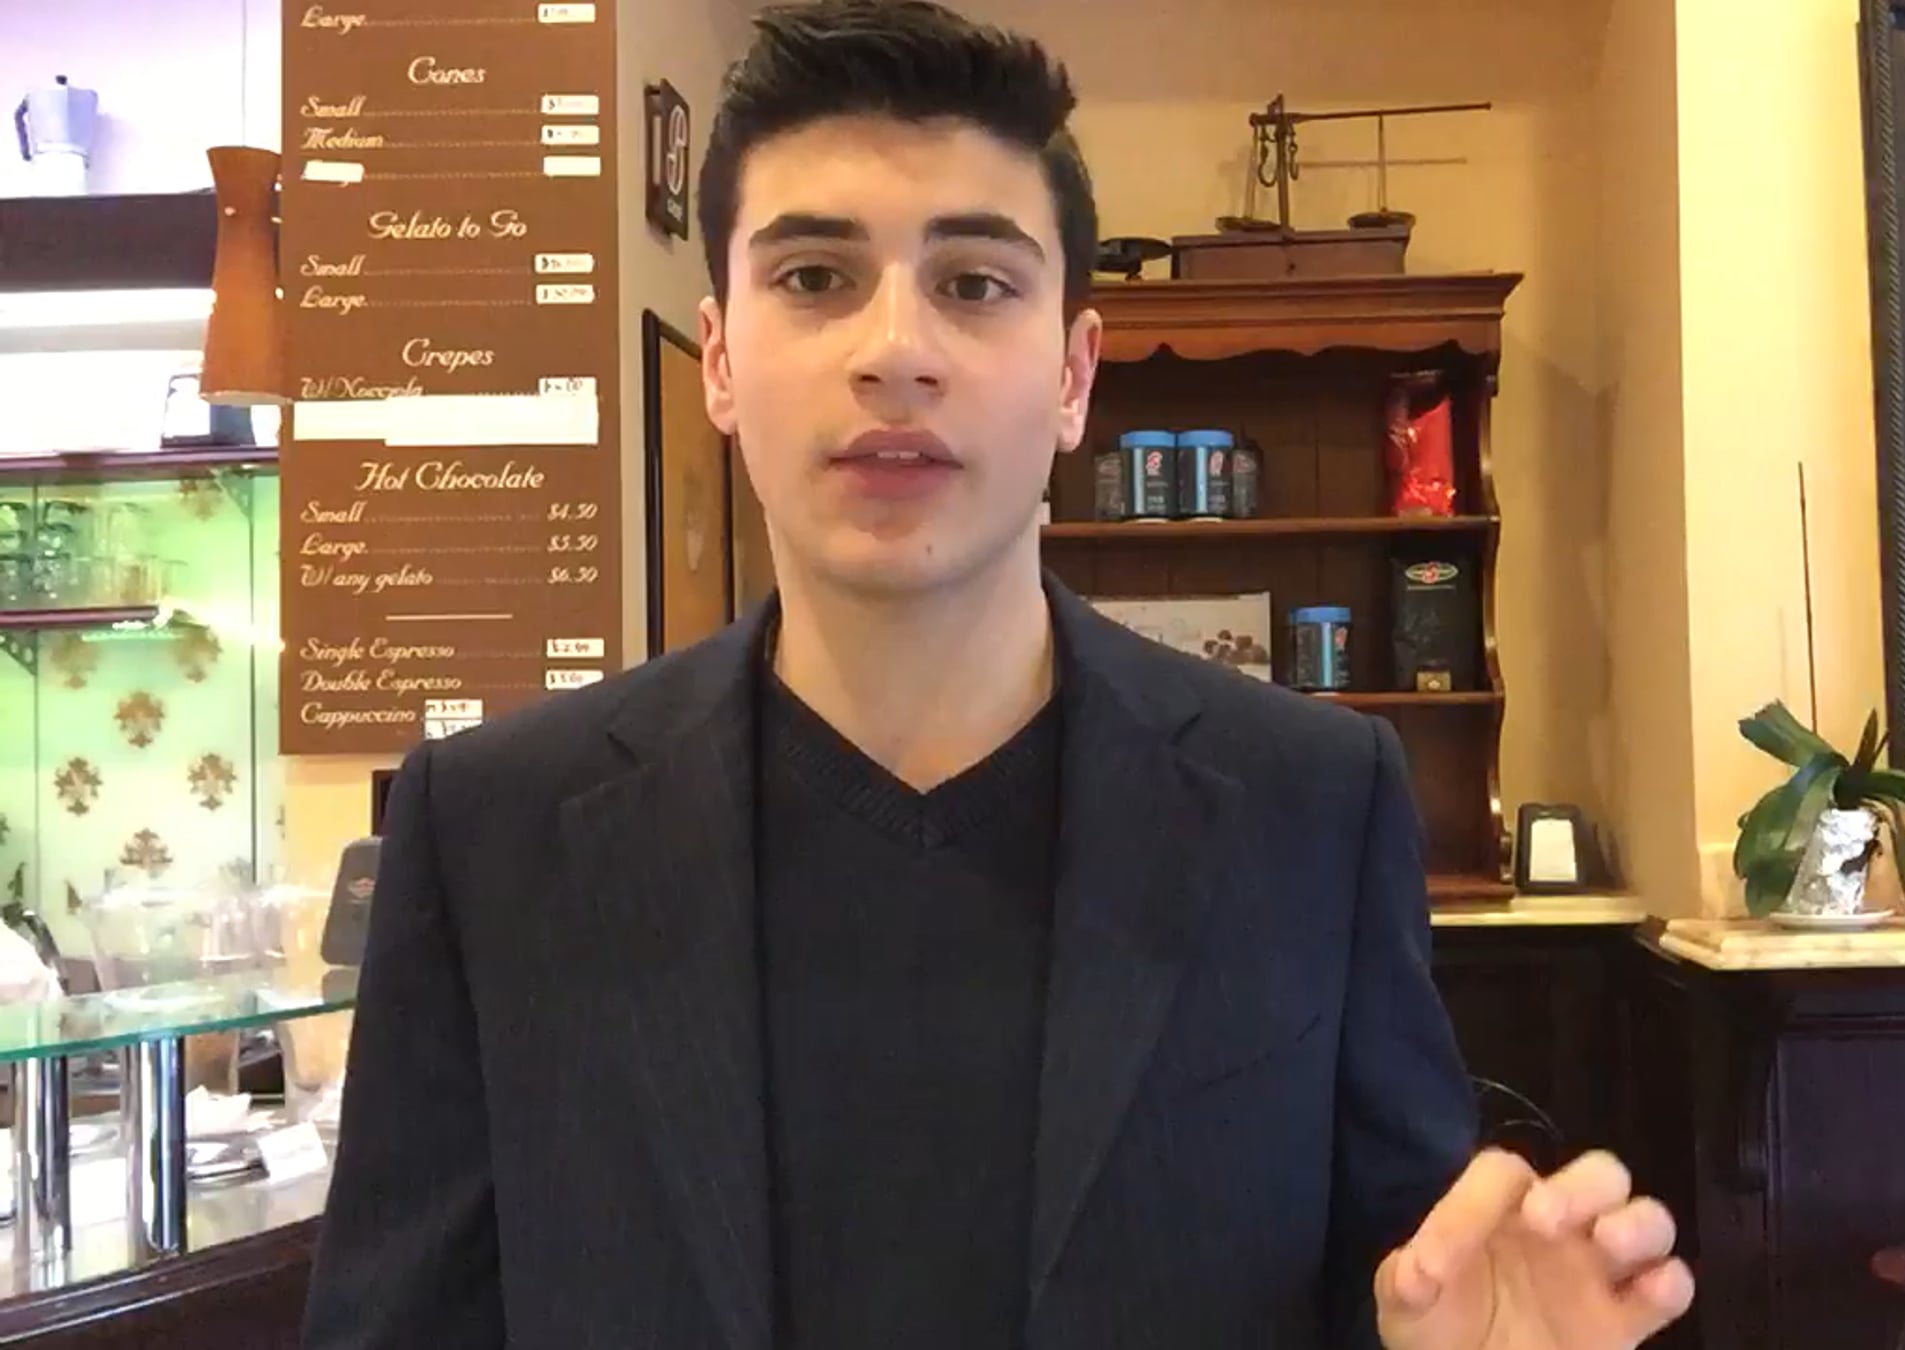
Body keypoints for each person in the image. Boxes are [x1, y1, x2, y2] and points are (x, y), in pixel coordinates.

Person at [299, 3, 1693, 1347]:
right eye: (813, 277)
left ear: (1076, 374)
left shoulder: (1310, 805)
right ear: (719, 357)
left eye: (973, 283)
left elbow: (1405, 1287)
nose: (895, 350)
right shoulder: (494, 834)